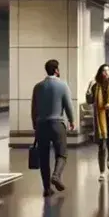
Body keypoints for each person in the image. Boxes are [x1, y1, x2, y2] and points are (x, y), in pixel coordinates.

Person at [31, 59, 75, 197]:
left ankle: (46, 188)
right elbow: (68, 105)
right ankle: (56, 176)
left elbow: (34, 108)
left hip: (41, 125)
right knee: (62, 153)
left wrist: (35, 124)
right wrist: (72, 120)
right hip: (57, 124)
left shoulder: (37, 87)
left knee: (43, 157)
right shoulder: (62, 85)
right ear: (56, 70)